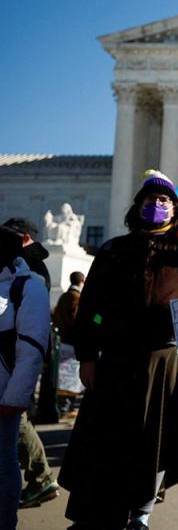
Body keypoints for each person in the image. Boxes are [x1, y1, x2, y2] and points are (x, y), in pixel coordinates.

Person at [58, 169, 178, 530]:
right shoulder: (114, 249)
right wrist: (86, 355)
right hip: (116, 360)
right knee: (107, 441)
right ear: (138, 206)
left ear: (175, 210)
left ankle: (141, 513)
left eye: (164, 201)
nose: (157, 205)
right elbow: (92, 307)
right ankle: (98, 512)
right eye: (150, 199)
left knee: (156, 442)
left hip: (163, 361)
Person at [1, 218, 59, 509]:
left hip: (15, 360)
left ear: (22, 238)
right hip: (15, 358)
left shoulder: (30, 271)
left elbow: (30, 329)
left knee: (17, 421)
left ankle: (41, 476)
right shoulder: (28, 266)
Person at [51, 271, 86, 420]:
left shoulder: (64, 296)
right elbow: (80, 319)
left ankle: (65, 405)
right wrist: (99, 321)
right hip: (72, 342)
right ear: (81, 282)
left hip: (63, 341)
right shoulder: (76, 297)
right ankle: (66, 406)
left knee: (64, 377)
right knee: (70, 378)